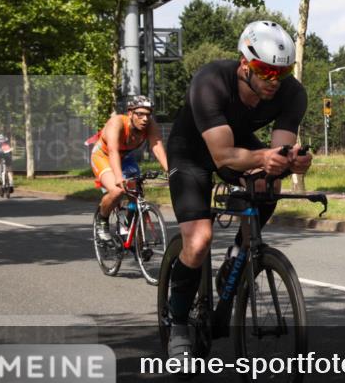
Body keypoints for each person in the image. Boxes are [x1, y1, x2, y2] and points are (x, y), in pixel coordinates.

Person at [166, 20, 311, 358]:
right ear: (245, 64)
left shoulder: (292, 93)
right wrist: (266, 157)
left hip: (239, 146)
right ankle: (177, 326)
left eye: (282, 71)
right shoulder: (210, 81)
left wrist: (294, 161)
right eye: (264, 70)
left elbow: (278, 152)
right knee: (199, 241)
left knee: (268, 182)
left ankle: (237, 255)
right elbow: (222, 155)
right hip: (192, 154)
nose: (274, 80)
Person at [90, 95, 168, 241]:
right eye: (140, 114)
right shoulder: (117, 123)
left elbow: (157, 148)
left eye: (148, 114)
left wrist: (171, 171)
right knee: (117, 191)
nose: (145, 119)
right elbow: (113, 151)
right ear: (130, 113)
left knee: (137, 196)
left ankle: (137, 241)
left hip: (125, 158)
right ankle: (102, 220)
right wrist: (119, 177)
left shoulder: (150, 125)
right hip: (104, 156)